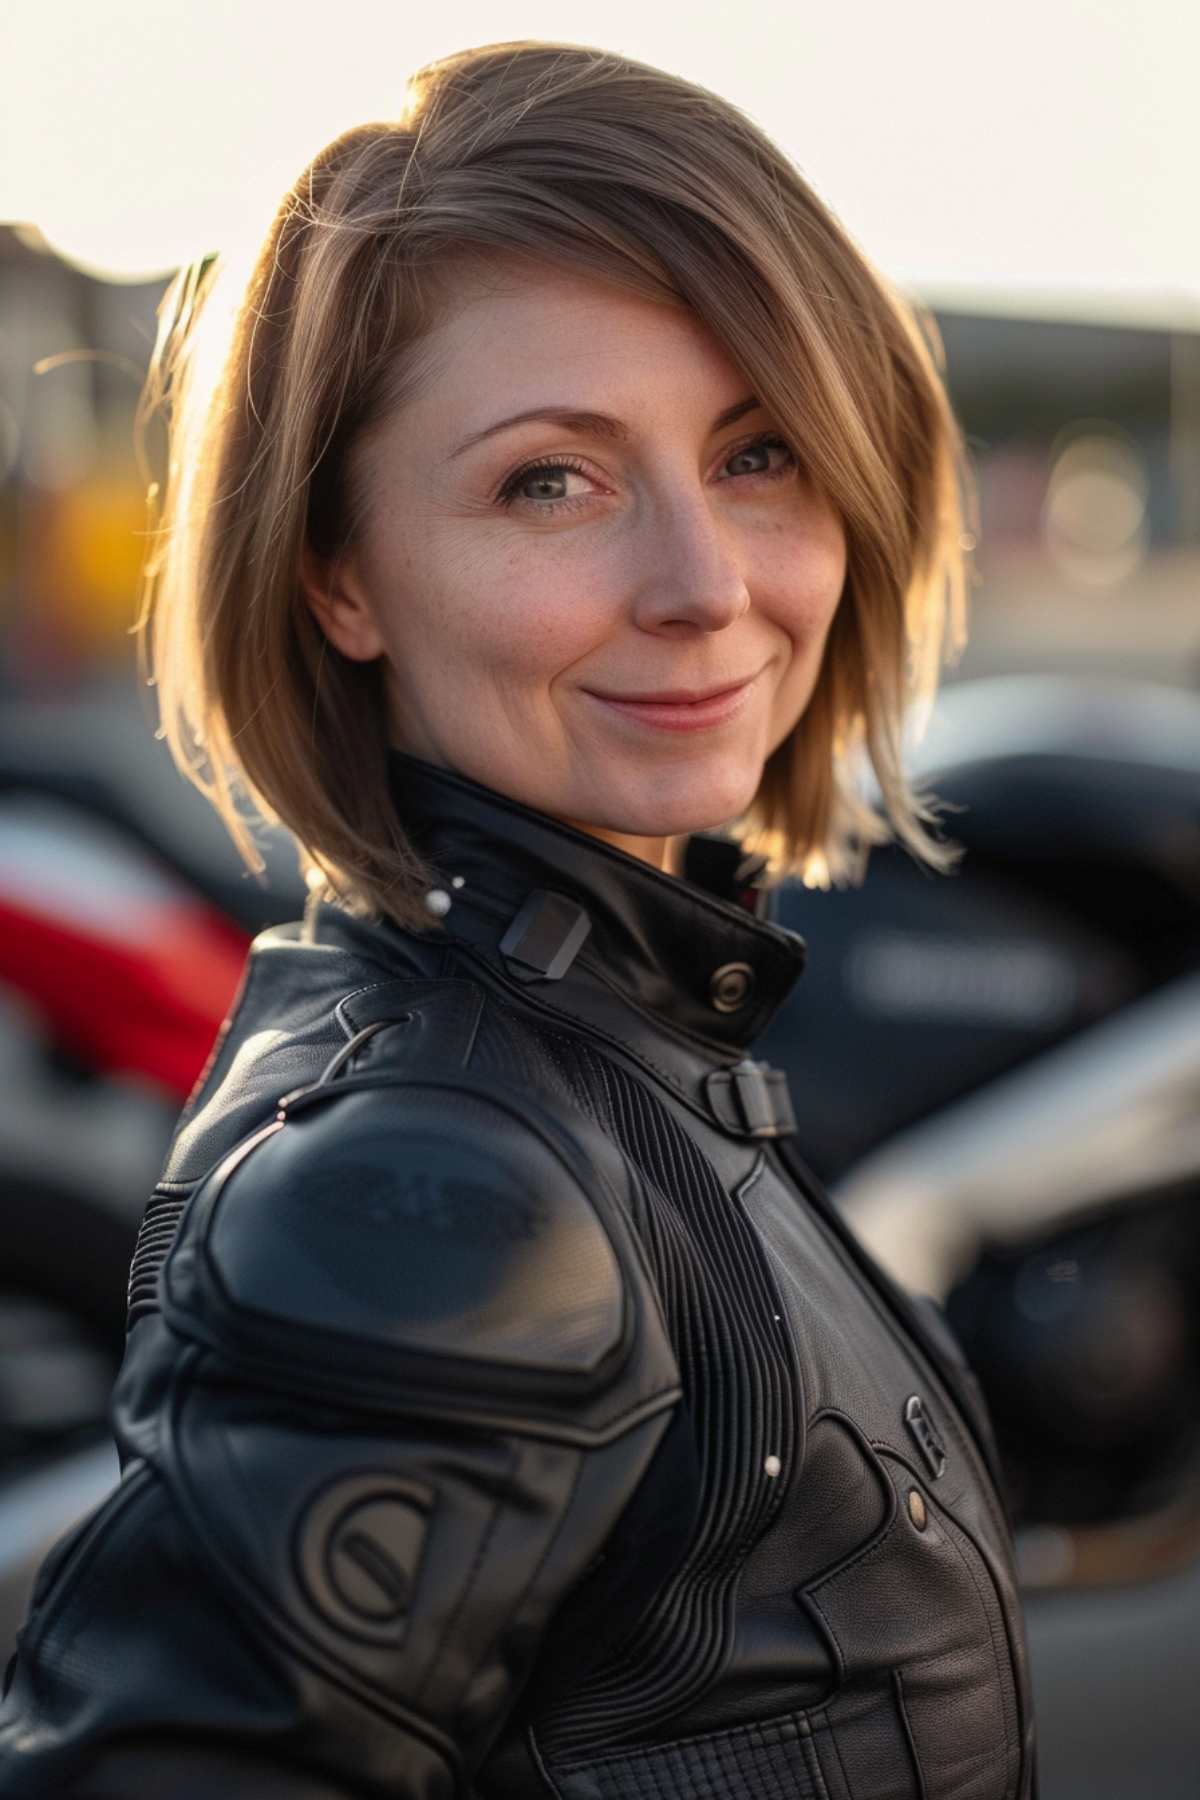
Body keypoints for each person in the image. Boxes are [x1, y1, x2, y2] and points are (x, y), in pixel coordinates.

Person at [0, 38, 1037, 1800]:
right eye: (549, 480)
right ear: (337, 571)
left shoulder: (635, 1039)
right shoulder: (442, 1196)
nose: (706, 587)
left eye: (761, 453)